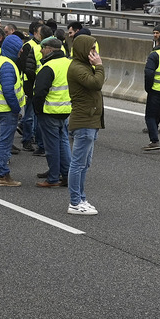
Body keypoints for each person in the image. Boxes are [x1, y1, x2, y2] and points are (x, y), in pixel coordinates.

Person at [66, 34, 106, 215]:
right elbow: (96, 84)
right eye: (91, 49)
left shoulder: (84, 66)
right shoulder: (77, 68)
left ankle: (82, 198)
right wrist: (99, 66)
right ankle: (74, 202)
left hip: (92, 120)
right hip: (83, 120)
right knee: (78, 163)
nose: (95, 53)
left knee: (85, 163)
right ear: (82, 49)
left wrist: (96, 66)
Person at [0, 34, 25, 188]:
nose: (21, 51)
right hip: (6, 109)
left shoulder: (0, 60)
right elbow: (8, 90)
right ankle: (2, 175)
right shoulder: (8, 65)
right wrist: (16, 108)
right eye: (19, 48)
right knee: (4, 143)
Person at [33, 37, 71, 186]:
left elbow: (39, 92)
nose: (41, 51)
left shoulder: (48, 67)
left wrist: (38, 110)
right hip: (65, 109)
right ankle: (67, 175)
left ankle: (53, 177)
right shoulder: (69, 64)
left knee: (52, 146)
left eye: (43, 48)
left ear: (49, 49)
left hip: (49, 111)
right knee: (63, 143)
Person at [17, 23, 46, 153]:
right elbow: (26, 67)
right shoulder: (28, 46)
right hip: (30, 85)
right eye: (40, 33)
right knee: (29, 115)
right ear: (35, 33)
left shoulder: (46, 46)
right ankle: (27, 140)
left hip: (41, 85)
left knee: (38, 116)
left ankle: (37, 139)